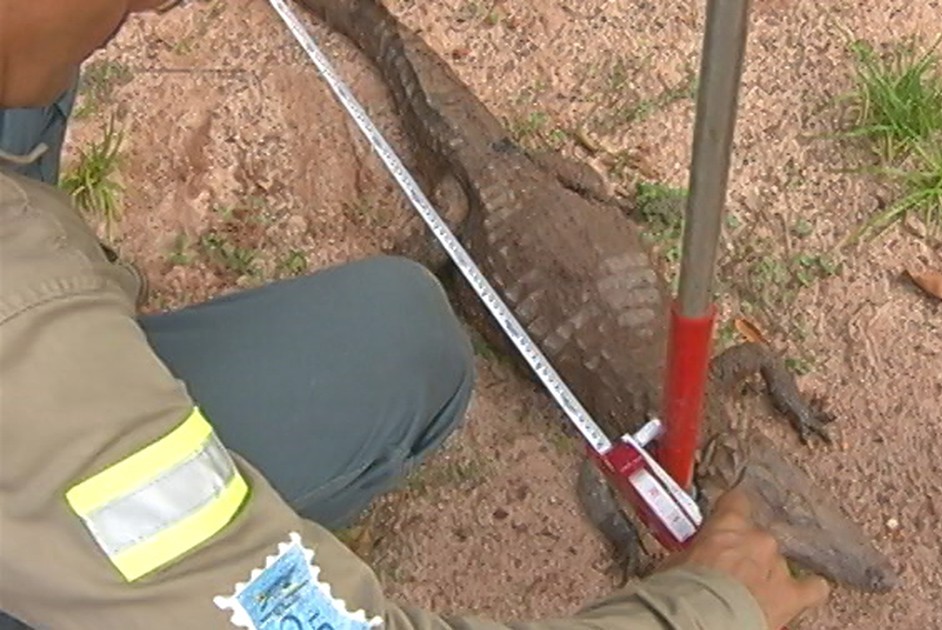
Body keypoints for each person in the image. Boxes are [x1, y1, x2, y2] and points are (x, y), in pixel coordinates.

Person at [0, 1, 834, 628]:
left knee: (403, 329)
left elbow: (746, 367)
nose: (153, 10)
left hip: (539, 200)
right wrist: (690, 604)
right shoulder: (26, 327)